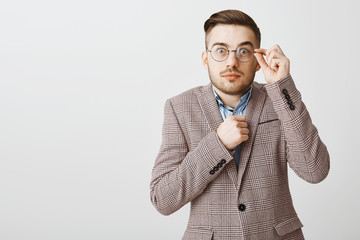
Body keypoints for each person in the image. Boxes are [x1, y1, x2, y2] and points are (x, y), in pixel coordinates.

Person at [150, 9, 330, 240]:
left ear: (257, 61)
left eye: (243, 51)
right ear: (206, 59)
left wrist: (283, 86)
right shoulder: (179, 107)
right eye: (221, 51)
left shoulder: (280, 100)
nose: (232, 62)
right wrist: (217, 145)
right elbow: (162, 199)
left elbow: (315, 171)